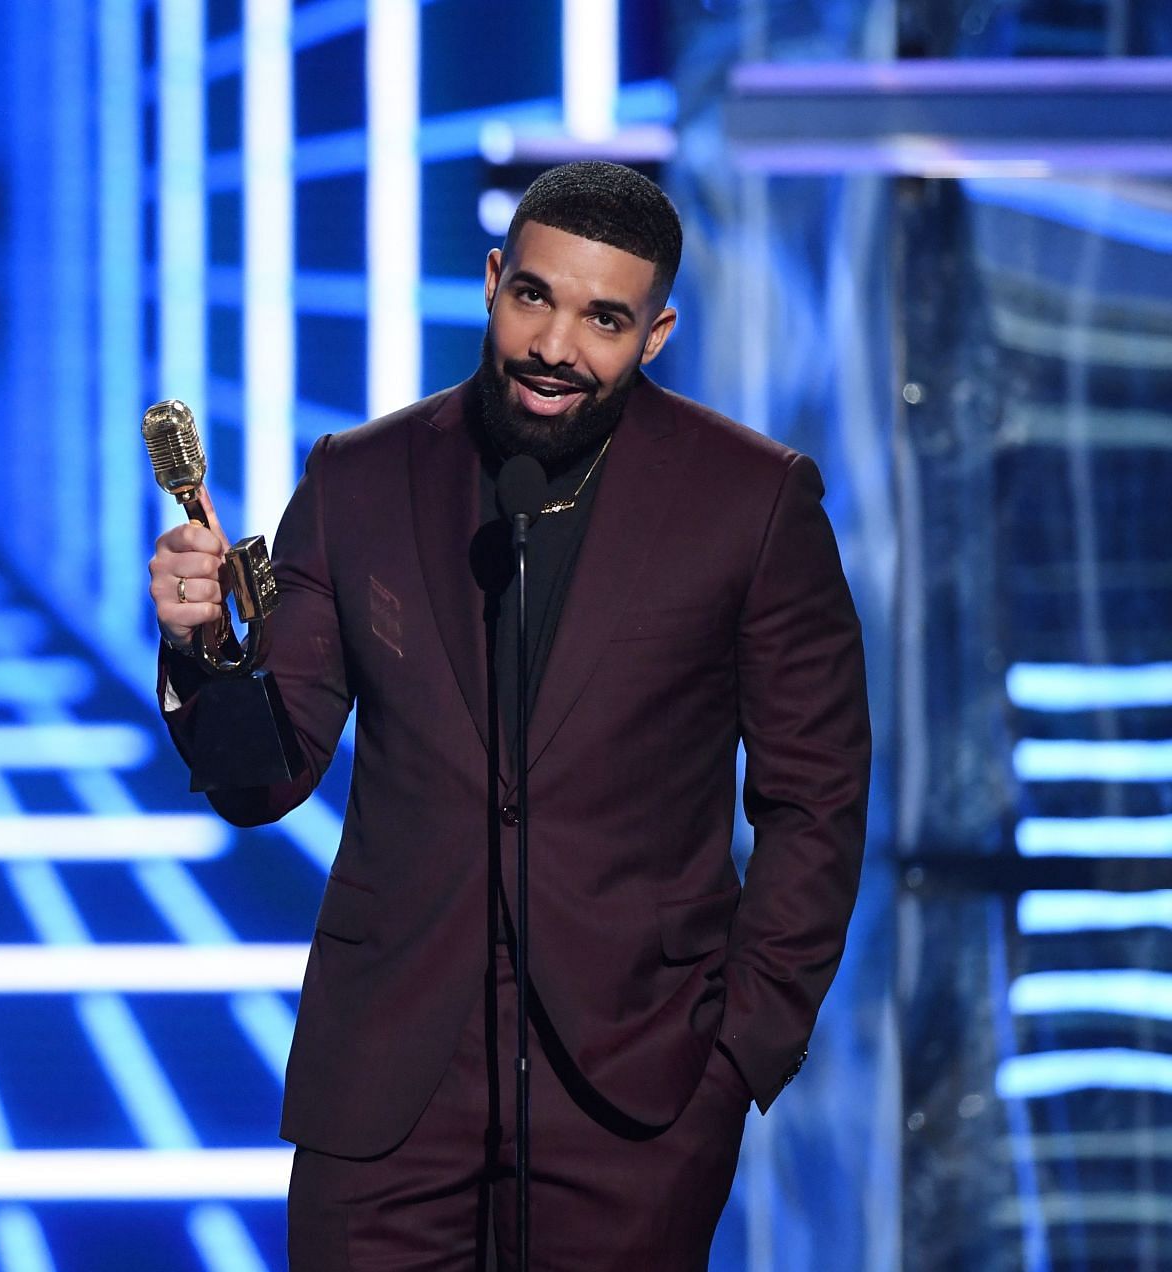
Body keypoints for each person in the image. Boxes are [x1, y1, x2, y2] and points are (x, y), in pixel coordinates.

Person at [148, 161, 870, 1270]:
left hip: (638, 1094)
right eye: (536, 296)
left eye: (604, 319)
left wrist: (736, 1058)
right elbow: (262, 779)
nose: (555, 347)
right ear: (493, 280)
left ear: (658, 332)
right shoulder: (359, 479)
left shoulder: (754, 502)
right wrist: (203, 649)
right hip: (387, 1087)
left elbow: (814, 800)